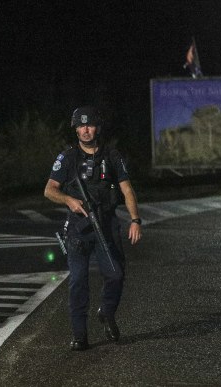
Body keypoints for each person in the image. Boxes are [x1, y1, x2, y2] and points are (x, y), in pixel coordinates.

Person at [44, 106, 142, 351]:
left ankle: (107, 311)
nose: (85, 130)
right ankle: (80, 336)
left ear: (97, 128)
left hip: (106, 225)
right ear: (75, 129)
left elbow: (127, 189)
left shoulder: (112, 156)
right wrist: (68, 199)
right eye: (81, 126)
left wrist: (135, 220)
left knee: (116, 274)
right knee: (78, 281)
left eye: (89, 125)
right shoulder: (67, 157)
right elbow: (50, 190)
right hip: (79, 228)